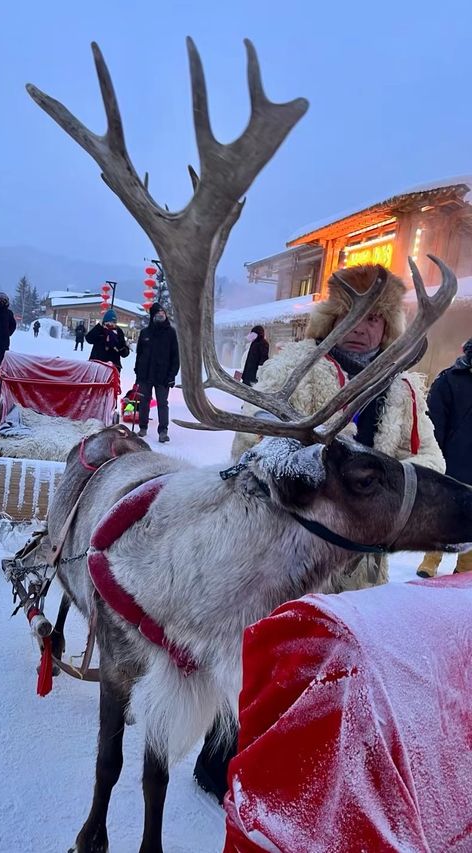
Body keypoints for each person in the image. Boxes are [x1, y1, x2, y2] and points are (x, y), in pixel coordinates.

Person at [194, 264, 446, 805]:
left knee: (334, 663)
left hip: (362, 556)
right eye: (349, 315)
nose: (361, 328)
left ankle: (299, 766)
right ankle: (223, 764)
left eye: (374, 320)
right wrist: (335, 478)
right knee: (272, 660)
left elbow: (425, 455)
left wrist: (382, 483)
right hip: (289, 552)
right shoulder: (297, 369)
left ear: (386, 328)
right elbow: (253, 451)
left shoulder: (400, 388)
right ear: (330, 317)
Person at [417, 337, 472, 578]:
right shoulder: (450, 380)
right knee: (442, 514)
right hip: (452, 464)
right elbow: (433, 425)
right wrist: (434, 462)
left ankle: (464, 570)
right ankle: (430, 561)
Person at [134, 302, 180, 443]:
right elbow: (139, 354)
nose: (161, 314)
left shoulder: (171, 333)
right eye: (158, 312)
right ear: (153, 315)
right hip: (145, 375)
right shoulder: (145, 333)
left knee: (162, 403)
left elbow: (175, 356)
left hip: (163, 376)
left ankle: (163, 431)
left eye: (163, 312)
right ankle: (143, 428)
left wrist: (172, 375)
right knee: (143, 402)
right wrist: (137, 373)